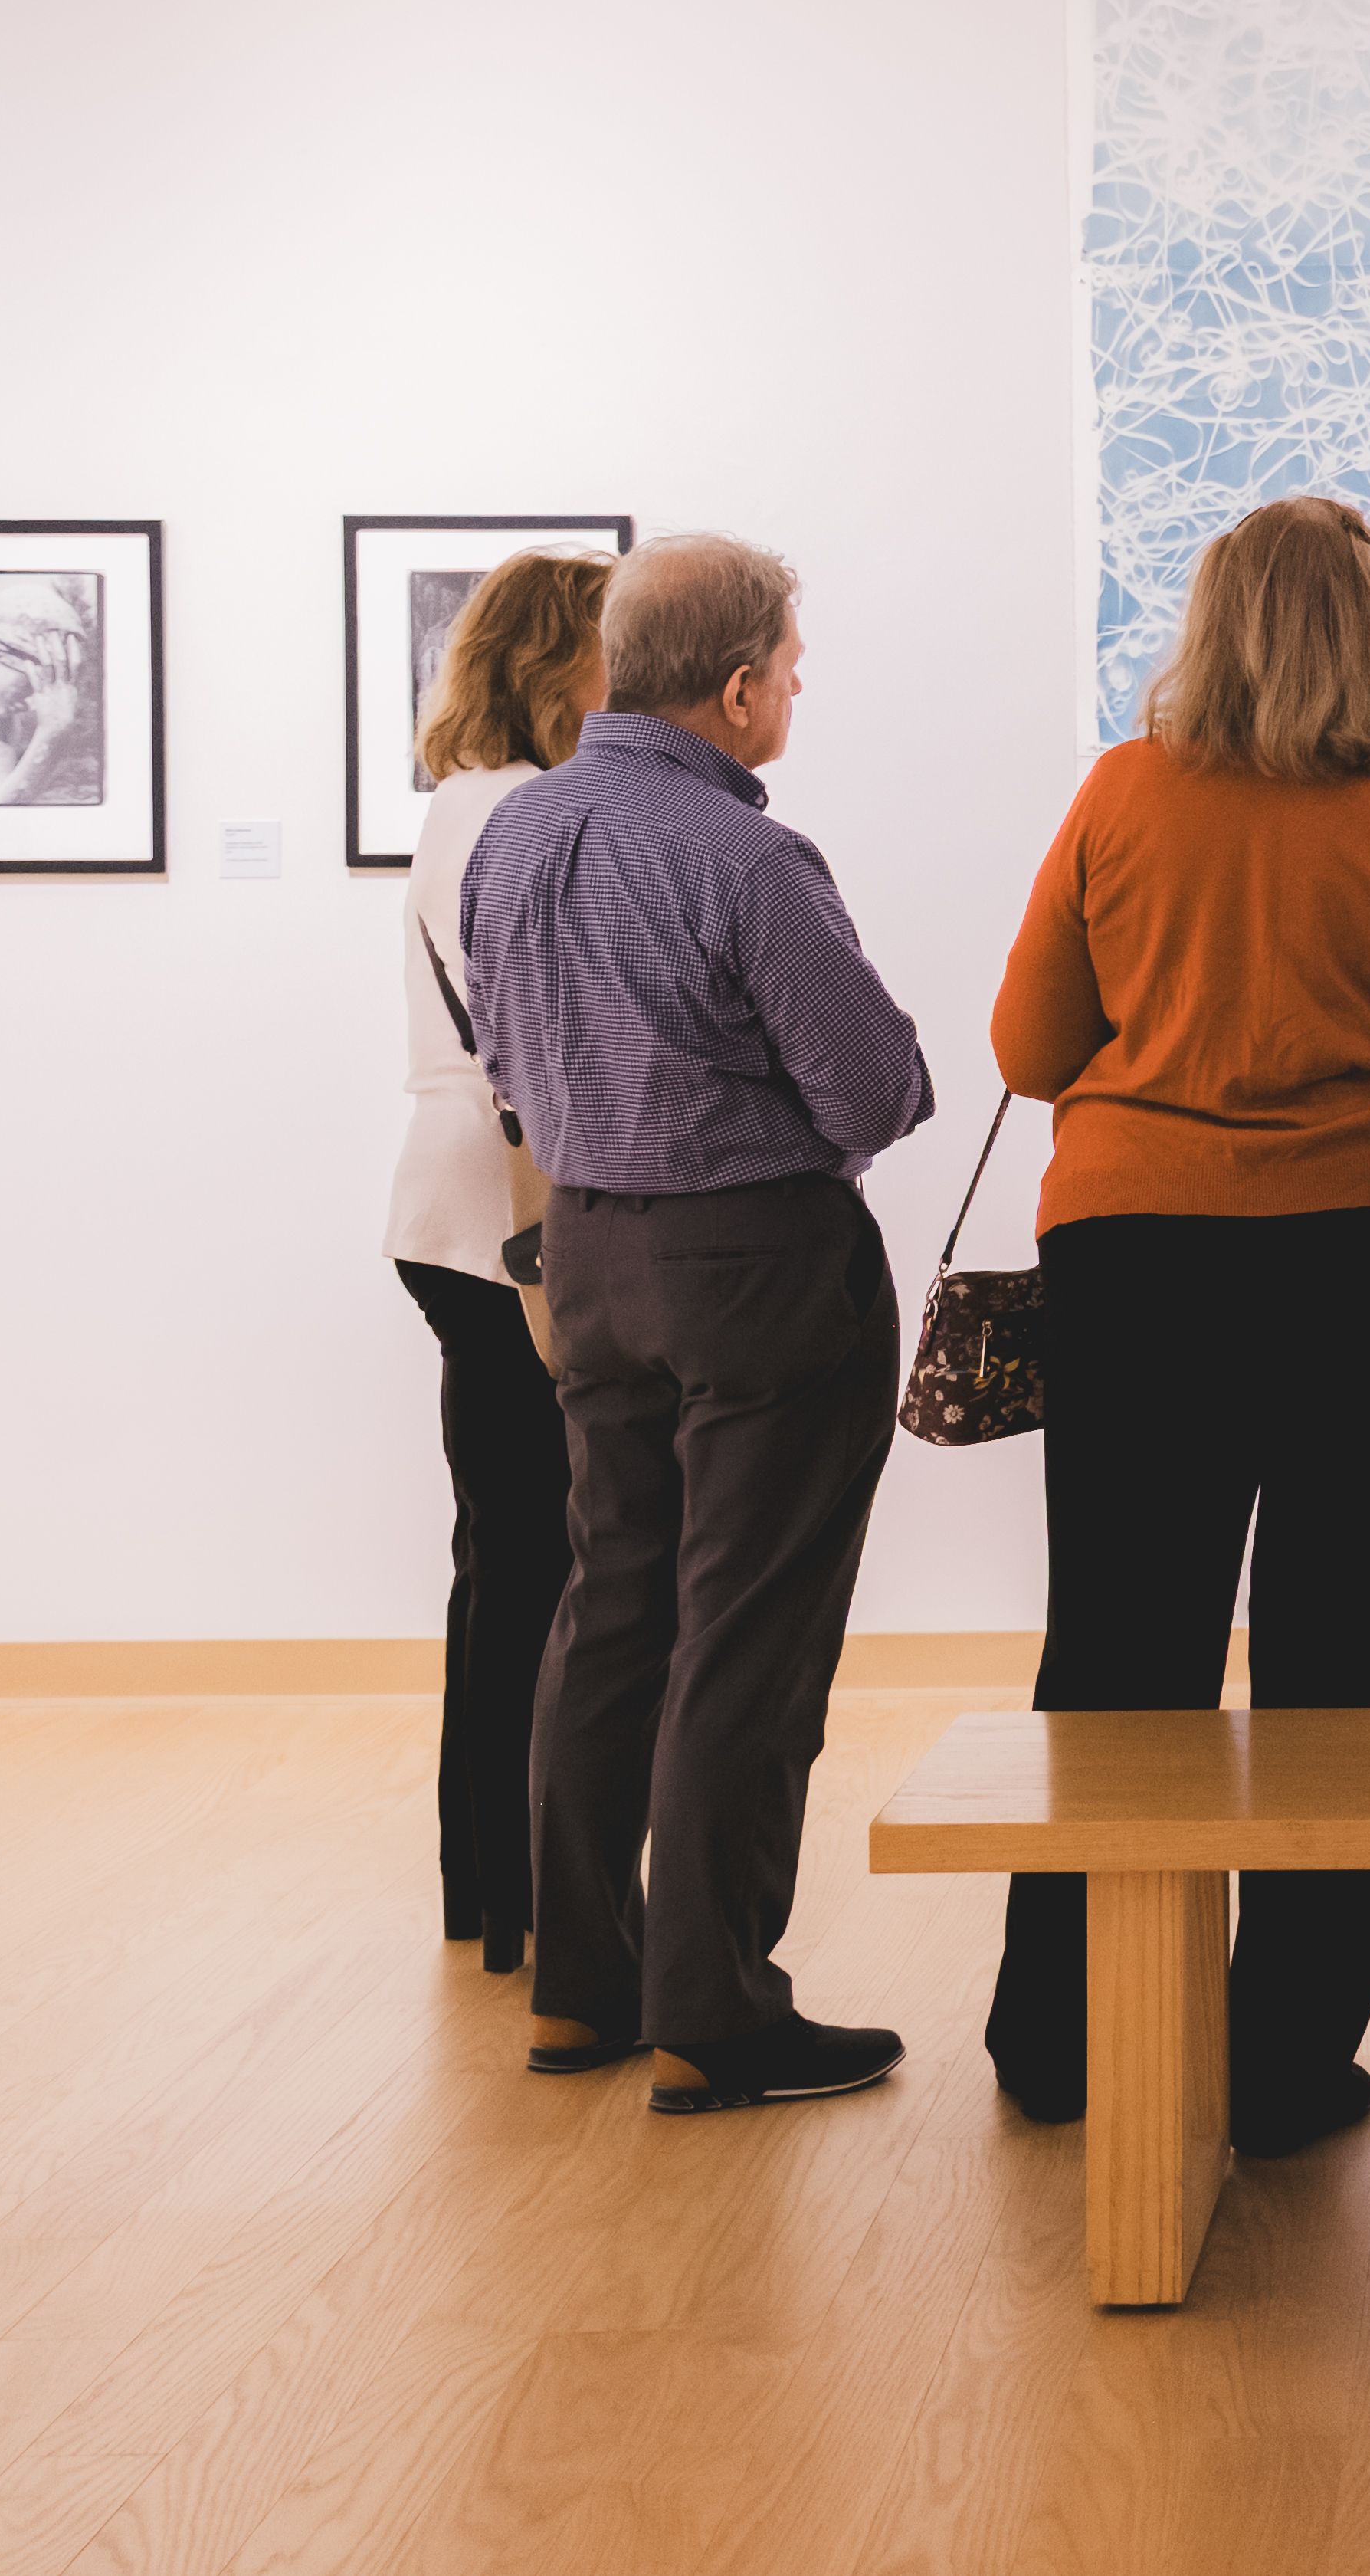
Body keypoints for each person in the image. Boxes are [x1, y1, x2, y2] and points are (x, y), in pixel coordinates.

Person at [976, 497, 1370, 2156]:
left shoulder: (1119, 793)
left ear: (1208, 621)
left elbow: (1029, 1046)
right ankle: (1283, 2061)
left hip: (1138, 1258)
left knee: (1117, 1651)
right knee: (1343, 1671)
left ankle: (1062, 2034)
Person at [460, 533, 933, 2110]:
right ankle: (714, 2011)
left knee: (611, 1609)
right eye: (790, 668)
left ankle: (580, 1991)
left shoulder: (514, 831)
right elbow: (872, 1090)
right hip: (757, 1268)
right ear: (736, 690)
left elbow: (506, 1063)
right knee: (746, 1631)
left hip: (588, 1254)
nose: (796, 690)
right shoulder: (750, 859)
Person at [385, 546, 615, 1979]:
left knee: (501, 1556)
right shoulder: (524, 809)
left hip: (449, 1202)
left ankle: (488, 1885)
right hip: (505, 1215)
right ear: (559, 666)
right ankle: (526, 1888)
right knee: (540, 1560)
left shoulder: (460, 799)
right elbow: (536, 1040)